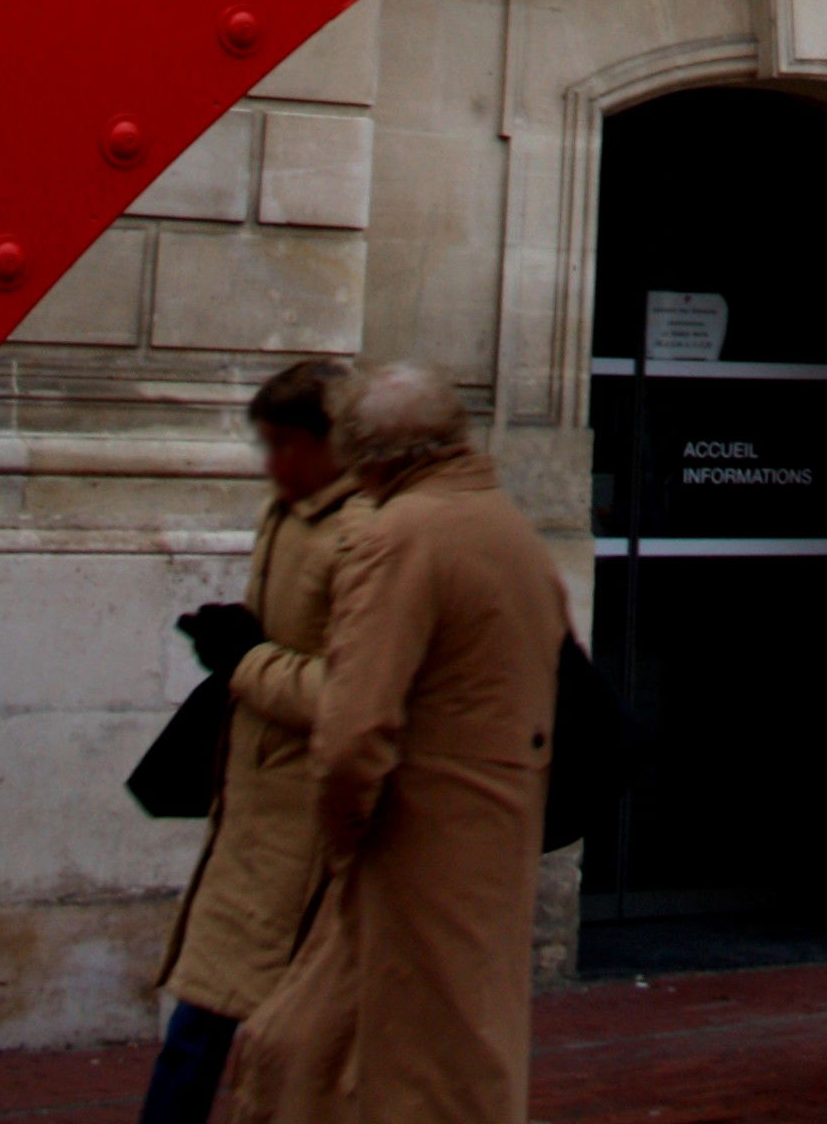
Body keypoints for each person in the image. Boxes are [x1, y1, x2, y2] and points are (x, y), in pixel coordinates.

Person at [233, 364, 565, 1124]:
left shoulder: (402, 536)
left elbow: (354, 731)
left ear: (375, 458)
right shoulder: (507, 527)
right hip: (491, 836)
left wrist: (344, 833)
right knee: (342, 1046)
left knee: (409, 1072)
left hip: (417, 844)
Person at [141, 361, 358, 1124]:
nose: (270, 463)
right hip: (254, 810)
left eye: (282, 444)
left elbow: (356, 697)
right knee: (201, 1028)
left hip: (310, 831)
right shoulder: (291, 513)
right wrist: (235, 638)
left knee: (232, 1038)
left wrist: (245, 659)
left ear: (328, 442)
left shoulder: (361, 534)